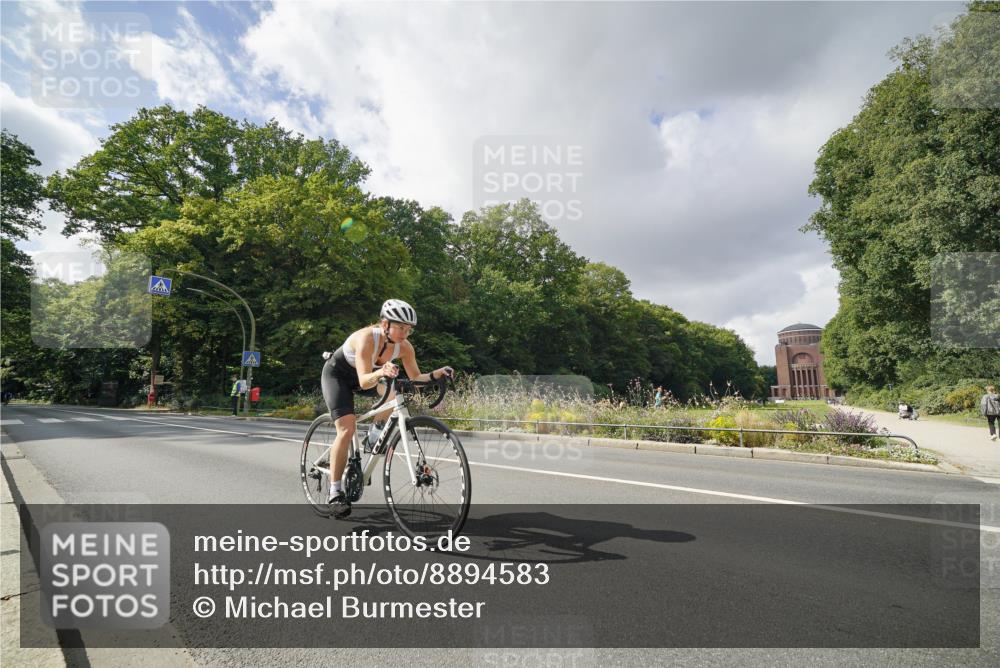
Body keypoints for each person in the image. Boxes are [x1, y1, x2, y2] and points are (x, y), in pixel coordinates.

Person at [321, 299, 453, 517]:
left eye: (408, 330)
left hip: (370, 376)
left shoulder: (405, 347)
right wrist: (382, 371)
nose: (405, 334)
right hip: (339, 376)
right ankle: (335, 493)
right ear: (385, 324)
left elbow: (416, 378)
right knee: (346, 429)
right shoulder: (367, 338)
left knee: (394, 392)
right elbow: (364, 381)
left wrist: (436, 374)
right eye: (400, 328)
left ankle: (374, 434)